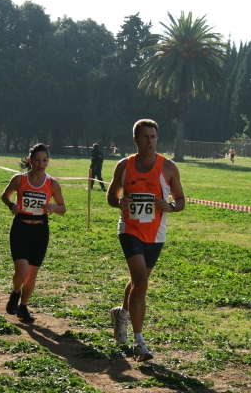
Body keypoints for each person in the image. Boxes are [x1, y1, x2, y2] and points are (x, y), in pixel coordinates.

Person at [106, 119, 185, 362]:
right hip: (129, 229)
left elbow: (181, 200)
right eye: (145, 137)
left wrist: (169, 206)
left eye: (153, 137)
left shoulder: (168, 167)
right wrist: (119, 202)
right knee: (141, 282)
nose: (149, 141)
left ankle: (121, 314)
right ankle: (139, 343)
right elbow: (111, 195)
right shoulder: (125, 166)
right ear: (135, 140)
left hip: (156, 233)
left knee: (138, 283)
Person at [0, 143, 66, 323]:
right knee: (22, 271)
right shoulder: (19, 179)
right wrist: (12, 205)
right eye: (37, 160)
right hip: (20, 228)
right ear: (30, 160)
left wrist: (53, 207)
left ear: (48, 162)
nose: (40, 164)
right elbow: (4, 195)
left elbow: (63, 208)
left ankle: (23, 307)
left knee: (32, 273)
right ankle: (15, 293)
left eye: (44, 160)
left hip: (40, 230)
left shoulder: (52, 184)